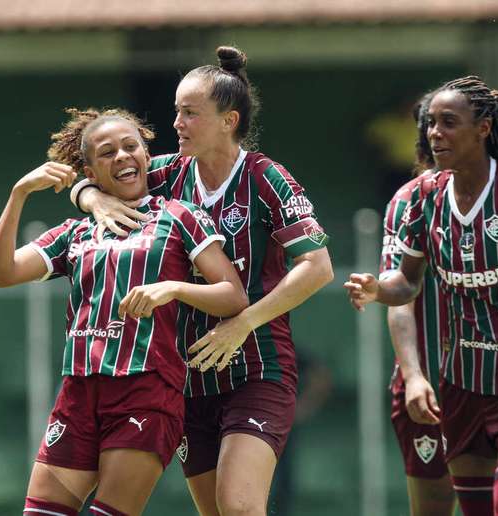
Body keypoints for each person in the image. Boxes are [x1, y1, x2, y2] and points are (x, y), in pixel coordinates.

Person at [71, 47, 334, 516]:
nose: (176, 123)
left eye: (189, 113)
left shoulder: (266, 178)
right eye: (176, 111)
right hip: (189, 377)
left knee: (238, 507)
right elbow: (94, 171)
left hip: (258, 369)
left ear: (228, 120)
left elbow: (317, 267)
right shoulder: (168, 174)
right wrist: (91, 197)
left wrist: (241, 323)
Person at [0, 107, 248, 516]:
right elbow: (0, 274)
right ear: (90, 171)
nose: (122, 156)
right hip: (78, 392)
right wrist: (19, 193)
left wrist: (172, 288)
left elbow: (233, 295)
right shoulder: (76, 232)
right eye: (107, 153)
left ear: (146, 156)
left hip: (145, 390)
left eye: (131, 147)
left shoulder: (179, 217)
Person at [346, 76, 498, 516]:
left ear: (484, 128)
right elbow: (406, 283)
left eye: (448, 122)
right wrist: (379, 289)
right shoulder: (420, 199)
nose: (435, 133)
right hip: (460, 385)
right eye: (431, 123)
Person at [381, 93, 455, 516]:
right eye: (436, 123)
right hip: (431, 385)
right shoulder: (410, 201)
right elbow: (400, 296)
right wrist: (412, 375)